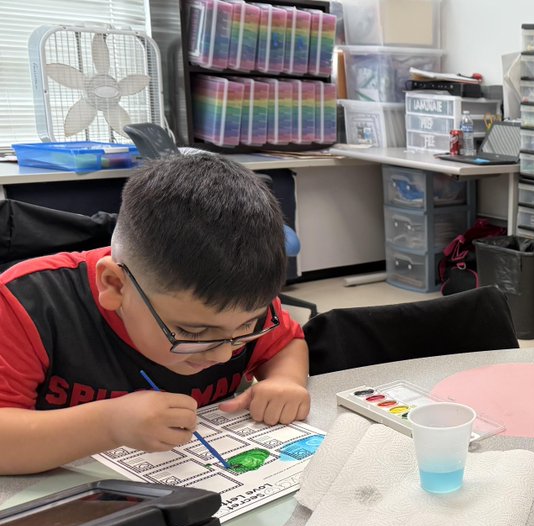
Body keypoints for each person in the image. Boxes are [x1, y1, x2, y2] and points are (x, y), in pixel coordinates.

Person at [0, 154, 310, 474]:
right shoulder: (27, 305)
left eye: (246, 327)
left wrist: (285, 380)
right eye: (192, 332)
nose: (223, 354)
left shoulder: (241, 301)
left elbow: (285, 343)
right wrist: (109, 425)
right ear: (115, 285)